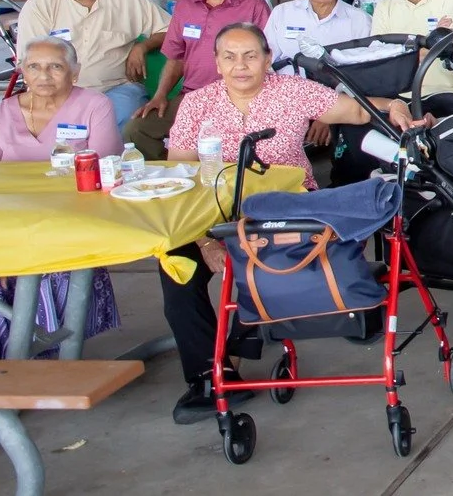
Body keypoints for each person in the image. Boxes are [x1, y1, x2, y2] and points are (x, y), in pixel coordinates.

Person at [159, 24, 424, 422]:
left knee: (269, 266)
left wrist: (394, 105)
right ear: (216, 63)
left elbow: (355, 108)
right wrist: (205, 243)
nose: (240, 65)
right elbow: (179, 175)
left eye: (250, 55)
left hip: (284, 209)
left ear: (267, 58)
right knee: (175, 268)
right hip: (212, 212)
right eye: (229, 57)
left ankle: (231, 353)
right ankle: (205, 377)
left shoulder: (291, 91)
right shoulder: (197, 103)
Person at [0, 36, 123, 362]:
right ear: (22, 72)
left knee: (37, 270)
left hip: (68, 219)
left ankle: (38, 356)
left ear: (75, 72)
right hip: (10, 220)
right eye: (35, 67)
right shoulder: (2, 112)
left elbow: (102, 165)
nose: (44, 75)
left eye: (55, 66)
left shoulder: (94, 105)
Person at [127, 0, 272, 158]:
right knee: (137, 130)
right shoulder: (185, 6)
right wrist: (160, 95)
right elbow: (176, 58)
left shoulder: (254, 5)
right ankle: (177, 180)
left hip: (238, 98)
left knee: (225, 146)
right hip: (192, 97)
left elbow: (266, 59)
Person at [17, 0, 166, 127]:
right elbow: (29, 61)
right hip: (56, 92)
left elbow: (171, 29)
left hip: (117, 89)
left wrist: (143, 47)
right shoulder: (40, 5)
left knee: (127, 117)